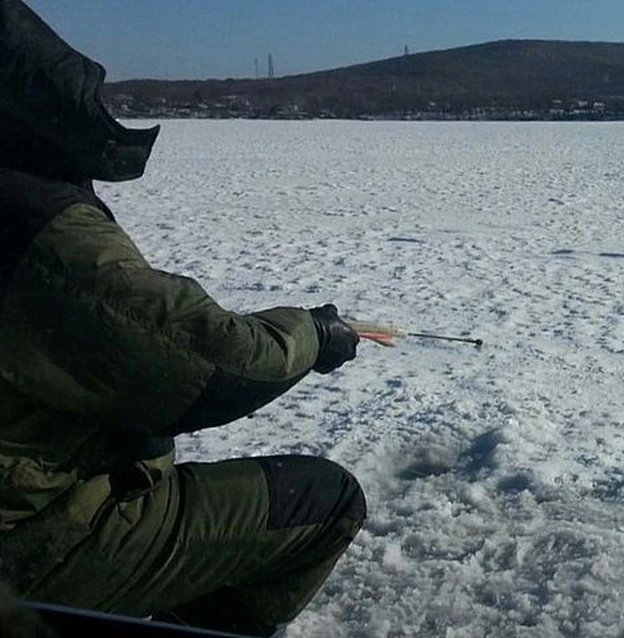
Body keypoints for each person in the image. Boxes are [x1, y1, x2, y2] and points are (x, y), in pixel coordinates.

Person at [0, 1, 366, 635]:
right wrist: (314, 333)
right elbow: (207, 366)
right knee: (323, 502)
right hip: (27, 542)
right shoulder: (31, 227)